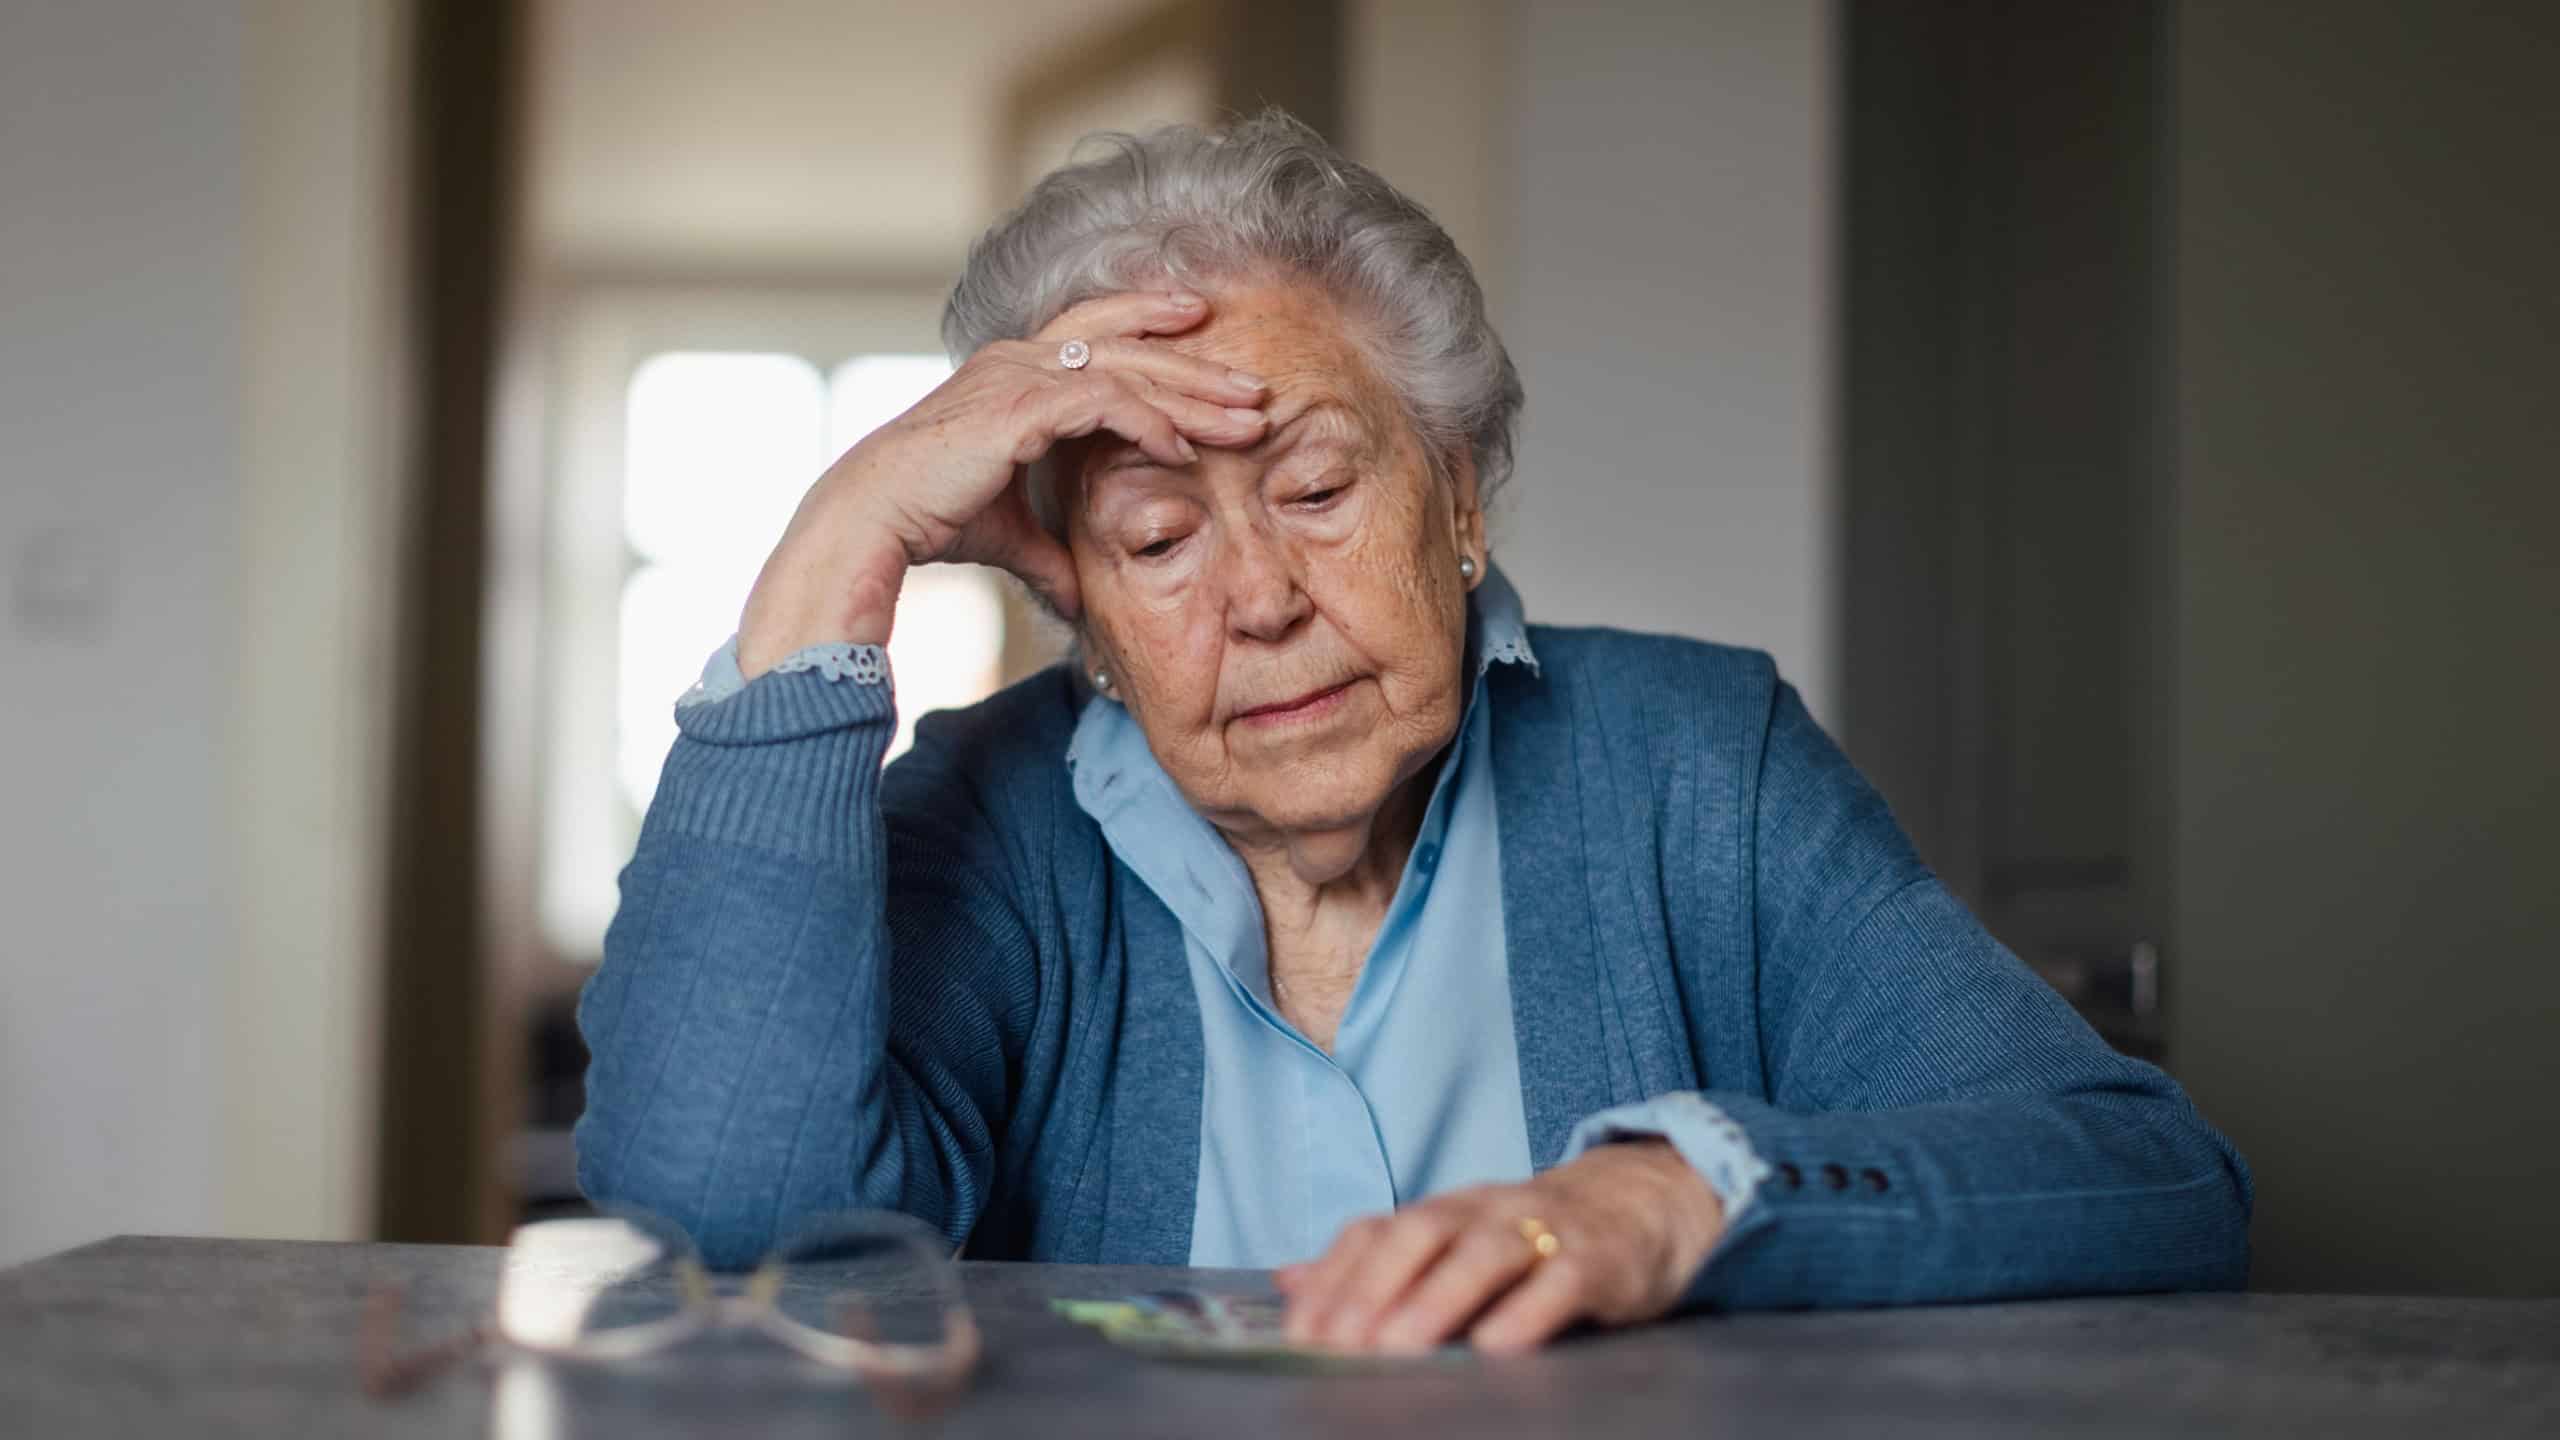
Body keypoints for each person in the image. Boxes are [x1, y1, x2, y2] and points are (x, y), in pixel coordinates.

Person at [574, 111, 2249, 1353]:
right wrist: (825, 568)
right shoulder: (992, 820)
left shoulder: (1690, 768)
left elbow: (2141, 1172)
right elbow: (727, 1208)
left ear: (1457, 491)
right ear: (1073, 590)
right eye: (1155, 540)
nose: (1260, 599)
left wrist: (1672, 1198)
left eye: (1314, 487)